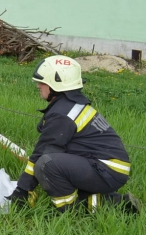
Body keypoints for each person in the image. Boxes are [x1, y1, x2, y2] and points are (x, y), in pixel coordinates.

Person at [7, 55, 138, 213]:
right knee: (52, 162)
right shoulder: (70, 106)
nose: (38, 86)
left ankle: (68, 210)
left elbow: (43, 152)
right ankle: (119, 203)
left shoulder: (62, 114)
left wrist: (22, 190)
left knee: (46, 163)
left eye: (42, 82)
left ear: (56, 85)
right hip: (110, 168)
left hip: (106, 170)